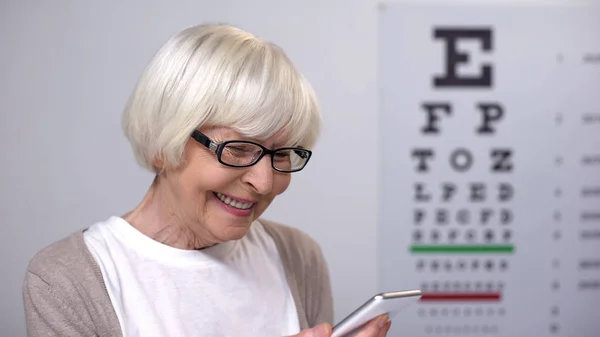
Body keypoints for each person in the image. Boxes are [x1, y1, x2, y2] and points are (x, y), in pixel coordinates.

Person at [22, 23, 392, 337]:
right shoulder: (67, 280)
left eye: (281, 154)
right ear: (165, 140)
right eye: (238, 148)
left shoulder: (298, 257)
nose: (264, 182)